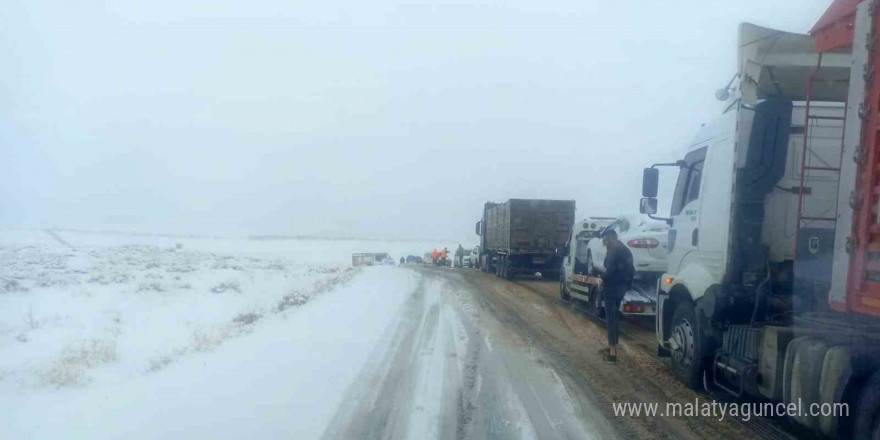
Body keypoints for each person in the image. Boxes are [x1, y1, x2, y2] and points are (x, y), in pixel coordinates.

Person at [599, 228, 634, 364]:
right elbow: (632, 269)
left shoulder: (613, 249)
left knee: (610, 318)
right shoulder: (625, 249)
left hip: (612, 287)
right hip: (622, 287)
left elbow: (610, 270)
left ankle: (612, 352)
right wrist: (628, 284)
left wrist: (603, 281)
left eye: (606, 238)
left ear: (612, 237)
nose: (604, 241)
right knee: (615, 315)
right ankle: (614, 344)